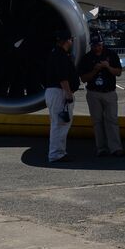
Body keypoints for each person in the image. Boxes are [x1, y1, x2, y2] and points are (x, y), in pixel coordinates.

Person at [78, 32, 124, 157]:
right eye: (94, 45)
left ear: (102, 44)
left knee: (112, 120)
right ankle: (101, 148)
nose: (97, 48)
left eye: (99, 45)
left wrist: (108, 67)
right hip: (94, 93)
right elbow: (83, 78)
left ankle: (115, 147)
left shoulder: (111, 54)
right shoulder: (87, 58)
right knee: (97, 121)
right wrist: (95, 70)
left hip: (109, 92)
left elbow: (118, 72)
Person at [42, 29, 80, 163]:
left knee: (57, 123)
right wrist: (68, 94)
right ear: (67, 41)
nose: (71, 42)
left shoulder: (54, 53)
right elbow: (63, 77)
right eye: (71, 40)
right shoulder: (61, 55)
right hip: (60, 92)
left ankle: (58, 152)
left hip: (54, 92)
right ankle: (56, 154)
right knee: (61, 123)